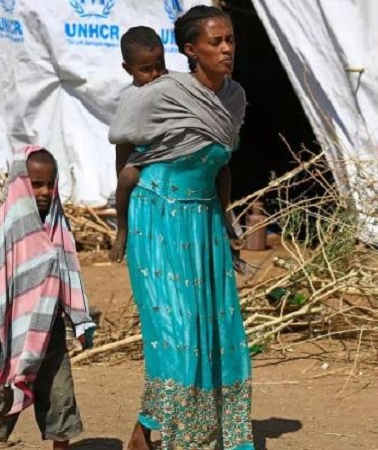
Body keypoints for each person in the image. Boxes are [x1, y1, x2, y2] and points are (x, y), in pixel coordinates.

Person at [108, 6, 253, 450]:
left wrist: (226, 221)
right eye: (215, 41)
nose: (226, 49)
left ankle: (149, 433)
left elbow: (221, 165)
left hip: (204, 223)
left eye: (230, 40)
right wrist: (123, 222)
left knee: (216, 332)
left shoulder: (234, 98)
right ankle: (169, 434)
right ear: (190, 50)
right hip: (159, 218)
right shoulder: (161, 94)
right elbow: (124, 145)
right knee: (177, 334)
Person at [0, 146, 96, 450]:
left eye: (50, 184)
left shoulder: (57, 226)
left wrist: (79, 318)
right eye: (36, 184)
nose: (45, 192)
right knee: (2, 393)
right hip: (13, 333)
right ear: (20, 183)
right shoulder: (10, 226)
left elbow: (69, 272)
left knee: (59, 396)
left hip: (51, 331)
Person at [110, 26, 168, 263]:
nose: (155, 74)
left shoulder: (174, 87)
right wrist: (122, 173)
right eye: (145, 69)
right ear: (128, 69)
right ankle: (122, 229)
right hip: (142, 156)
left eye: (159, 66)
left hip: (174, 153)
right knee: (126, 178)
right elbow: (122, 143)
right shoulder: (130, 98)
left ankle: (226, 222)